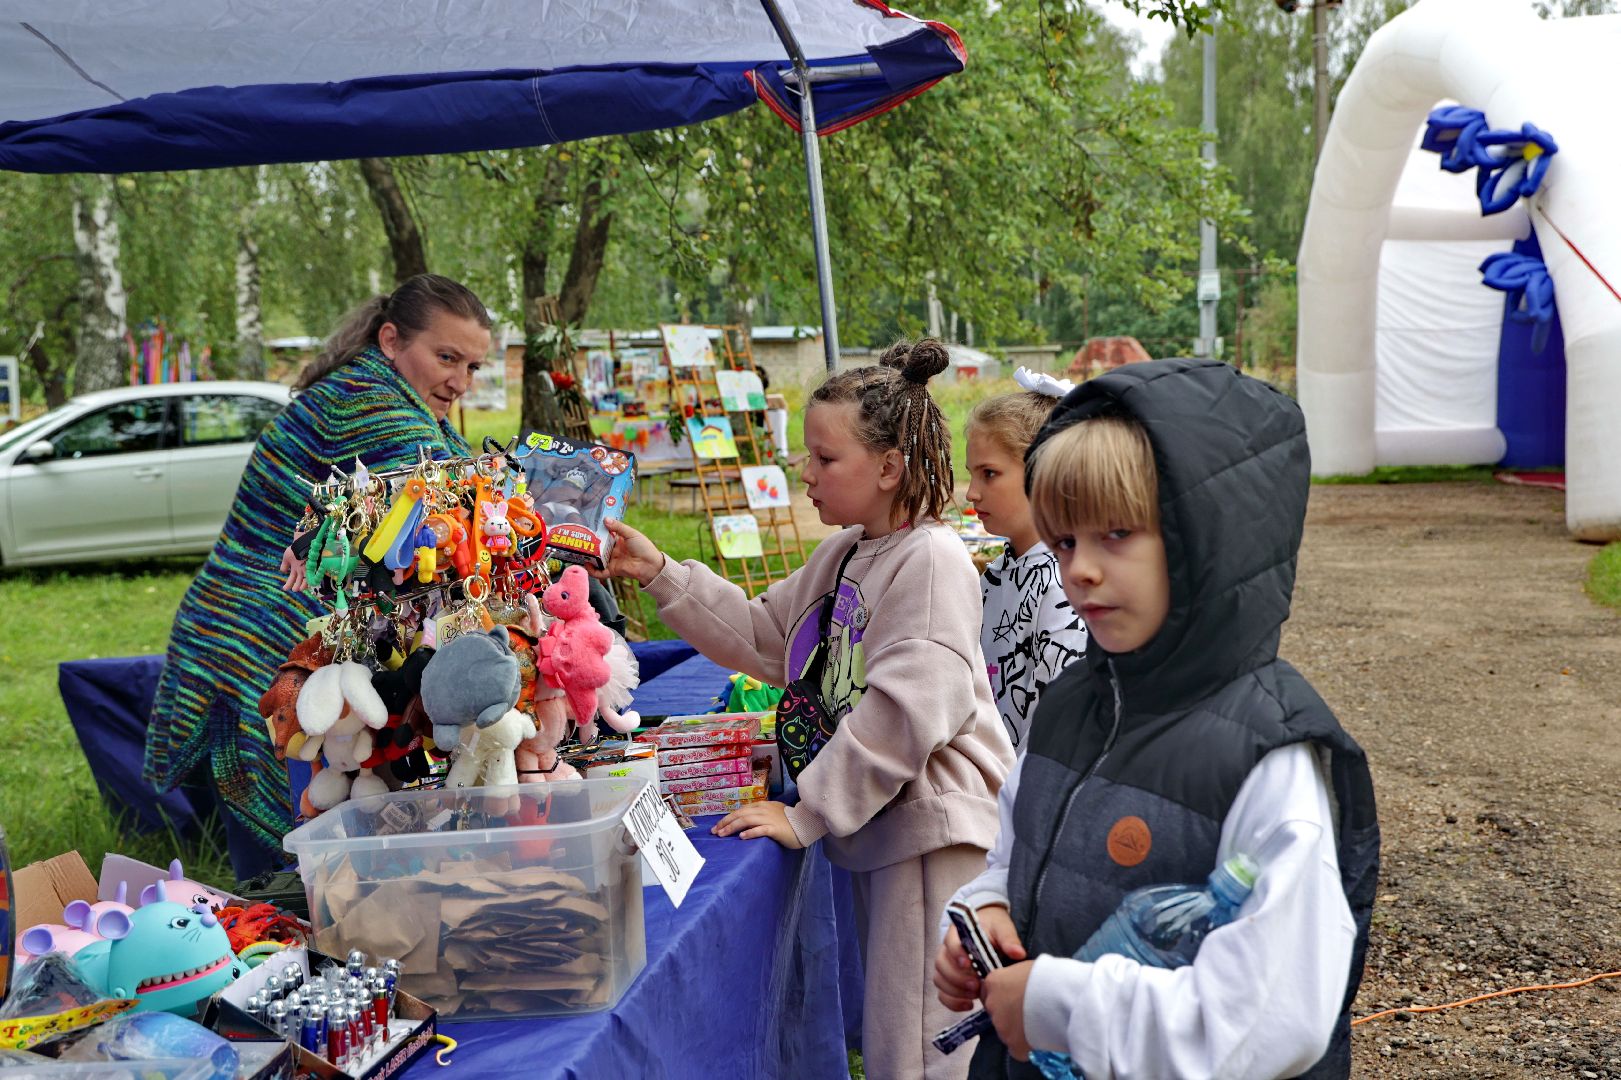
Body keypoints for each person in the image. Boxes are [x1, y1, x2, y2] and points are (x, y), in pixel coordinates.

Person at [933, 358, 1380, 1080]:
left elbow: (1269, 1021)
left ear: (1207, 541)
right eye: (1066, 540)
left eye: (1115, 535)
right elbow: (1015, 856)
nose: (1079, 569)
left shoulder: (1266, 759)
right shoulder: (1071, 703)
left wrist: (1057, 1003)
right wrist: (986, 909)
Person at [602, 339, 1014, 1079]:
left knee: (922, 1048)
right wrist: (662, 573)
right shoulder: (850, 551)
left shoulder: (929, 560)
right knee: (897, 1035)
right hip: (889, 824)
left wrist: (808, 812)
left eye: (825, 460)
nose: (805, 473)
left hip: (929, 837)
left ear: (888, 468)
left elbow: (906, 713)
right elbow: (766, 637)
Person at [144, 274, 492, 878]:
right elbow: (452, 508)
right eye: (446, 357)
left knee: (308, 830)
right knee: (294, 849)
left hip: (272, 630)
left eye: (473, 366)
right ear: (390, 339)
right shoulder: (371, 406)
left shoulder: (397, 398)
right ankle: (283, 950)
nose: (460, 381)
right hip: (262, 635)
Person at [966, 368, 1089, 750]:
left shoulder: (1063, 584)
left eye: (989, 474)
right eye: (972, 474)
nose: (971, 493)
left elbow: (1059, 727)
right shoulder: (1000, 572)